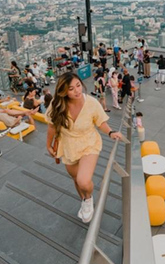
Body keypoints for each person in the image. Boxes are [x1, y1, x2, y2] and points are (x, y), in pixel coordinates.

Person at [45, 73, 123, 223]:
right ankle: (84, 200)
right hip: (68, 145)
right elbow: (52, 126)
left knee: (83, 180)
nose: (76, 91)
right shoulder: (57, 104)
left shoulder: (91, 103)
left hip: (89, 143)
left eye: (78, 85)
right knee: (75, 179)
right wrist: (48, 145)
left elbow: (100, 122)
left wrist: (111, 132)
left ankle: (88, 199)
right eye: (71, 88)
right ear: (63, 91)